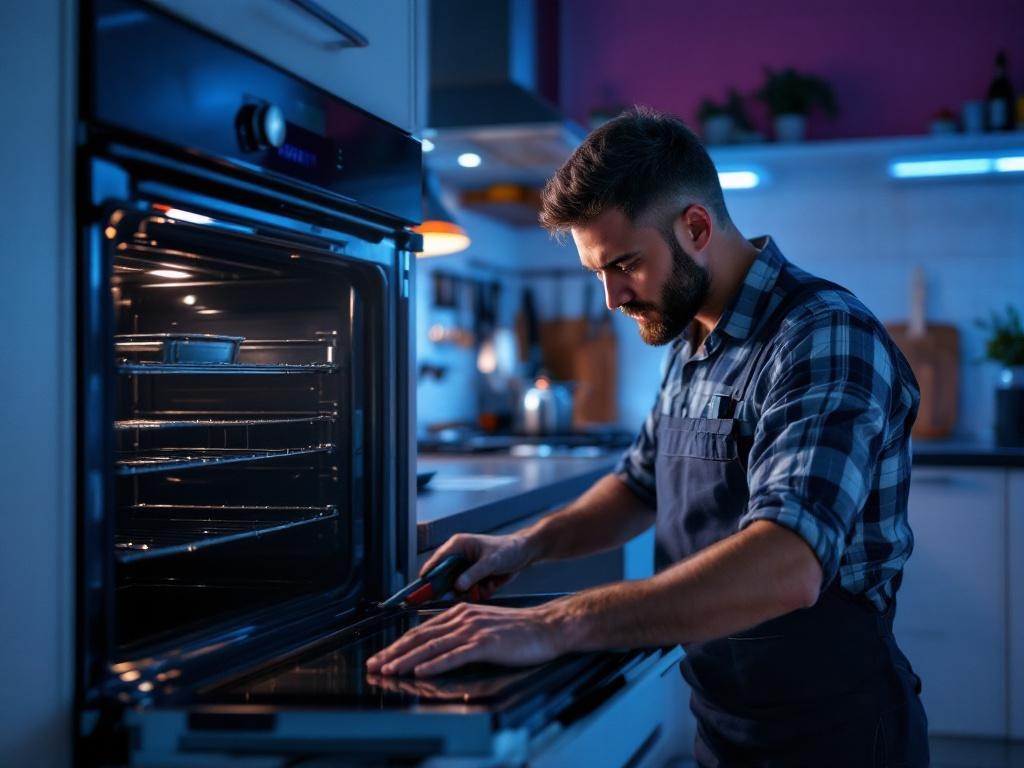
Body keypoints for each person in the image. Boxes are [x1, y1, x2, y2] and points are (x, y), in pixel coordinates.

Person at [368, 107, 929, 766]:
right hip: (725, 719)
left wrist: (554, 625)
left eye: (625, 264)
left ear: (695, 227)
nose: (610, 298)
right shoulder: (692, 336)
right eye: (598, 272)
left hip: (836, 733)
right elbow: (639, 485)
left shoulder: (823, 336)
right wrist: (522, 546)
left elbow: (788, 566)